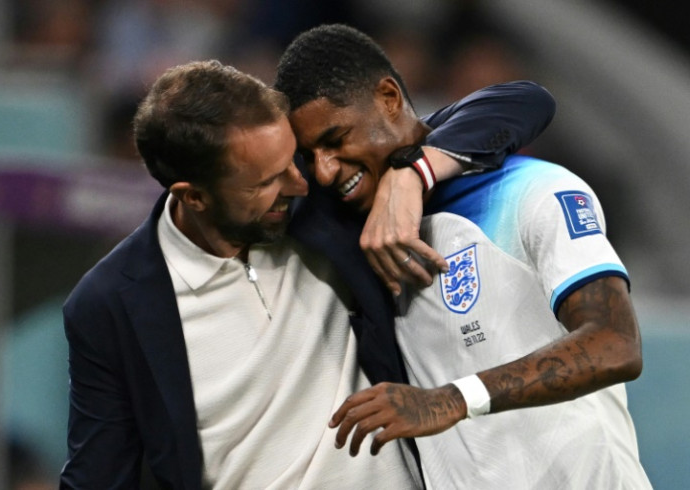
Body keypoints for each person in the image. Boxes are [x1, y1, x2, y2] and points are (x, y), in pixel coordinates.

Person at [60, 52, 555, 487]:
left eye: (290, 162)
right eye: (268, 181)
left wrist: (411, 173)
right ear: (194, 196)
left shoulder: (322, 186)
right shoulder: (110, 304)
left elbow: (521, 102)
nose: (303, 182)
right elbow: (99, 475)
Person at [275, 24, 651, 489]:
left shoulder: (534, 191)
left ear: (389, 98)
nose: (325, 171)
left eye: (336, 140)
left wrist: (452, 399)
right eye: (311, 156)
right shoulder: (343, 227)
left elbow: (615, 343)